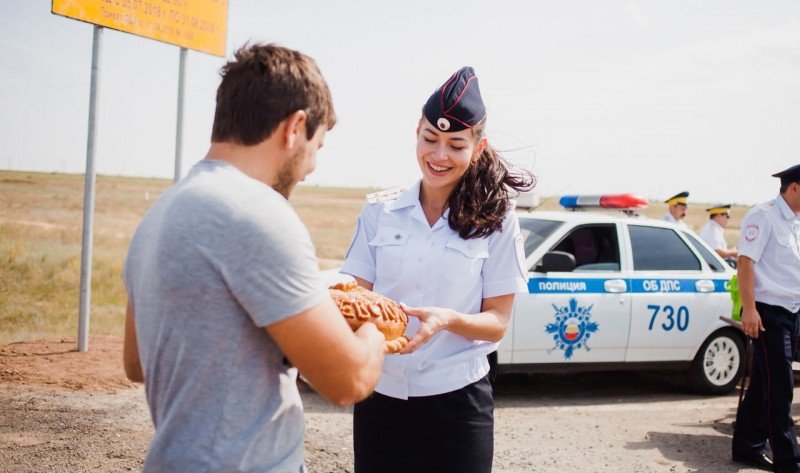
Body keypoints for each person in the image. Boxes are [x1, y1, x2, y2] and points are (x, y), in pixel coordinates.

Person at [121, 44, 385, 472]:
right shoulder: (256, 212)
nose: (311, 168)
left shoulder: (161, 211)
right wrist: (375, 326)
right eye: (318, 145)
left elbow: (137, 362)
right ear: (295, 127)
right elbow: (348, 380)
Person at [340, 66, 534, 473]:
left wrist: (447, 320)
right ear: (416, 132)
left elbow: (497, 322)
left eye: (456, 145)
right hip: (382, 395)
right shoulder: (380, 210)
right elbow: (355, 298)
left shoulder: (497, 219)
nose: (439, 155)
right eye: (430, 139)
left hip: (457, 401)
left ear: (477, 149)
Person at [732, 164, 800, 473]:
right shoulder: (764, 216)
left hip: (793, 310)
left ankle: (747, 446)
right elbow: (746, 262)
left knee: (764, 383)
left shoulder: (796, 222)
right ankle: (789, 460)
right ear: (794, 187)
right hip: (769, 312)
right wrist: (749, 308)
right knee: (781, 386)